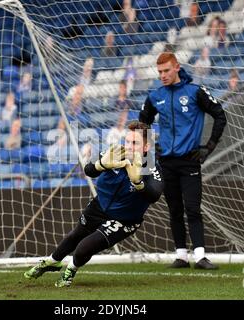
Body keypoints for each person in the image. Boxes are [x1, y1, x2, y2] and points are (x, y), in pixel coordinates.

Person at [24, 121, 163, 287]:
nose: (129, 146)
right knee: (76, 235)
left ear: (146, 147)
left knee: (84, 247)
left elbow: (154, 195)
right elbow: (89, 170)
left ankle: (71, 270)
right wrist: (101, 164)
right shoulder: (115, 153)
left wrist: (139, 183)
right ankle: (53, 261)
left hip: (125, 219)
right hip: (100, 205)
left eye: (135, 143)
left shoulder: (152, 167)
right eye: (127, 141)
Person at [139, 52, 227, 269]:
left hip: (189, 161)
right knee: (174, 209)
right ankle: (181, 256)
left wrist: (209, 147)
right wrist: (150, 145)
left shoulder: (195, 92)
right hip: (166, 163)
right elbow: (143, 122)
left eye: (166, 70)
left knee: (193, 208)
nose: (162, 75)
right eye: (159, 72)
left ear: (177, 67)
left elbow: (220, 114)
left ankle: (200, 256)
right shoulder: (155, 97)